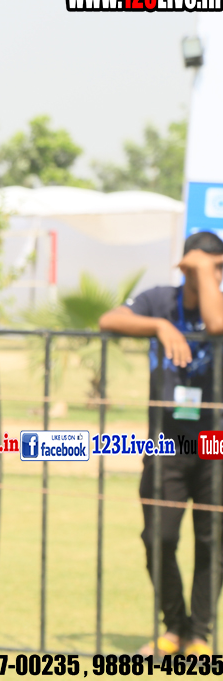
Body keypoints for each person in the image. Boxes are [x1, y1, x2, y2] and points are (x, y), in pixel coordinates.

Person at [99, 231, 223, 658]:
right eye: (203, 266)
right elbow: (108, 320)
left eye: (218, 268)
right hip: (167, 442)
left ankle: (200, 635)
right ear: (183, 266)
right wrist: (158, 324)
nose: (212, 274)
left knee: (212, 541)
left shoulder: (220, 304)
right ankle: (175, 627)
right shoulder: (160, 300)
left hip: (215, 442)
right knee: (158, 537)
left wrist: (204, 273)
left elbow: (216, 324)